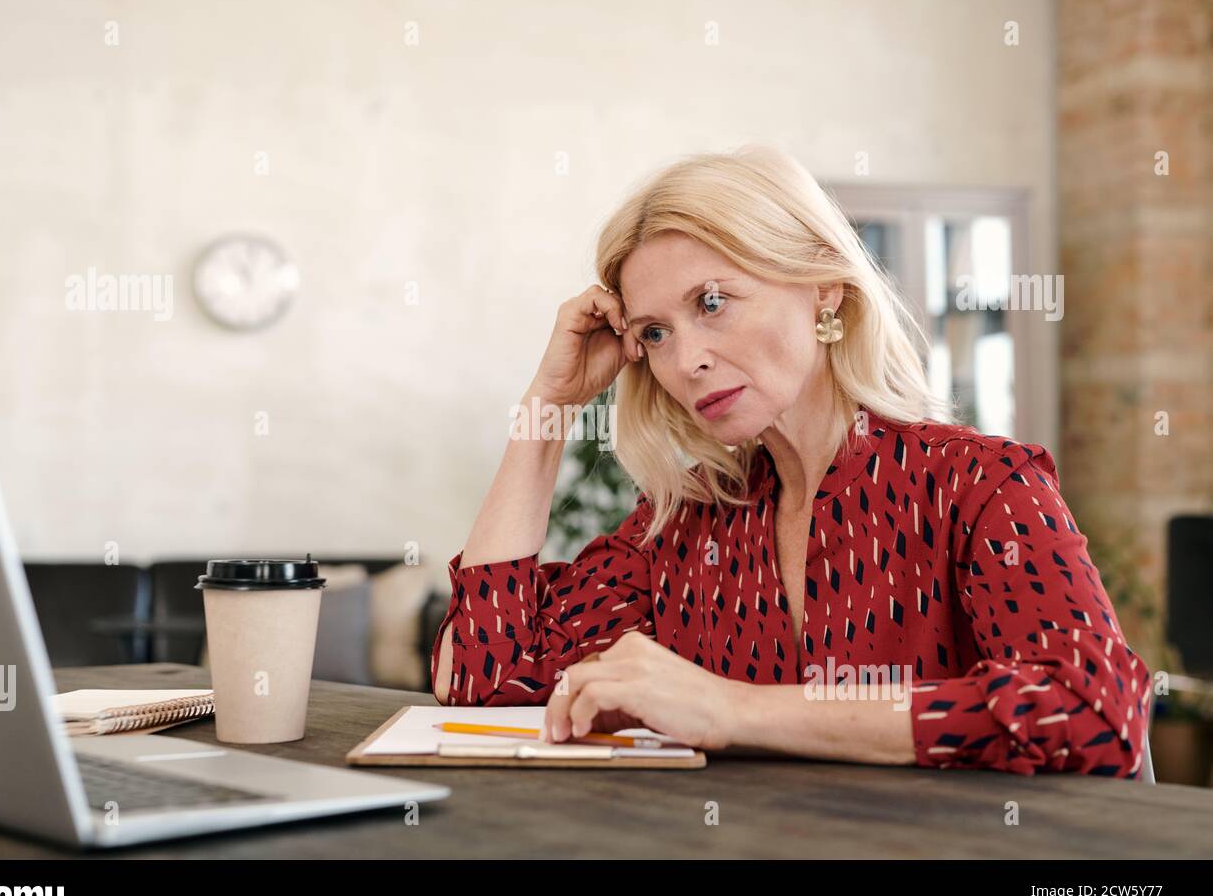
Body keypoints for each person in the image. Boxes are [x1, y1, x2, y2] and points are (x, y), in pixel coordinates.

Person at [431, 145, 1152, 777]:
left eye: (713, 302)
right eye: (654, 332)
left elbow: (1091, 709)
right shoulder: (686, 523)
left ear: (822, 289)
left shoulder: (981, 487)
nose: (688, 360)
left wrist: (734, 710)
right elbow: (480, 677)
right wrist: (549, 405)